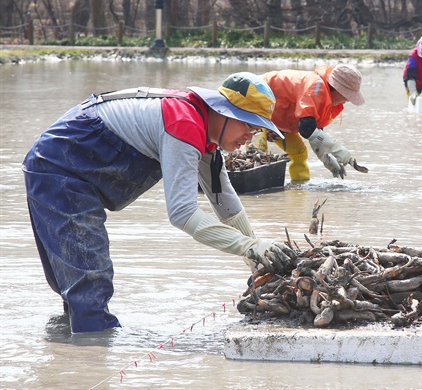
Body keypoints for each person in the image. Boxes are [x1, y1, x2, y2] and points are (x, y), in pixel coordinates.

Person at [22, 72, 298, 334]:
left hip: (72, 173)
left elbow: (224, 200)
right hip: (59, 168)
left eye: (257, 129)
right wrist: (249, 247)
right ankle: (90, 357)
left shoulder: (205, 134)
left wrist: (257, 257)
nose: (251, 136)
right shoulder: (185, 123)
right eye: (248, 124)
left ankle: (75, 341)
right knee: (90, 281)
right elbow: (182, 213)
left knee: (79, 287)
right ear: (223, 112)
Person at [254, 64, 365, 181]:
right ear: (337, 89)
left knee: (299, 153)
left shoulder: (326, 100)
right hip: (254, 106)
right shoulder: (315, 88)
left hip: (275, 118)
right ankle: (254, 192)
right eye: (347, 95)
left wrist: (325, 156)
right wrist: (336, 148)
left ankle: (298, 189)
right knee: (259, 154)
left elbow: (314, 133)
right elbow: (306, 129)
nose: (347, 100)